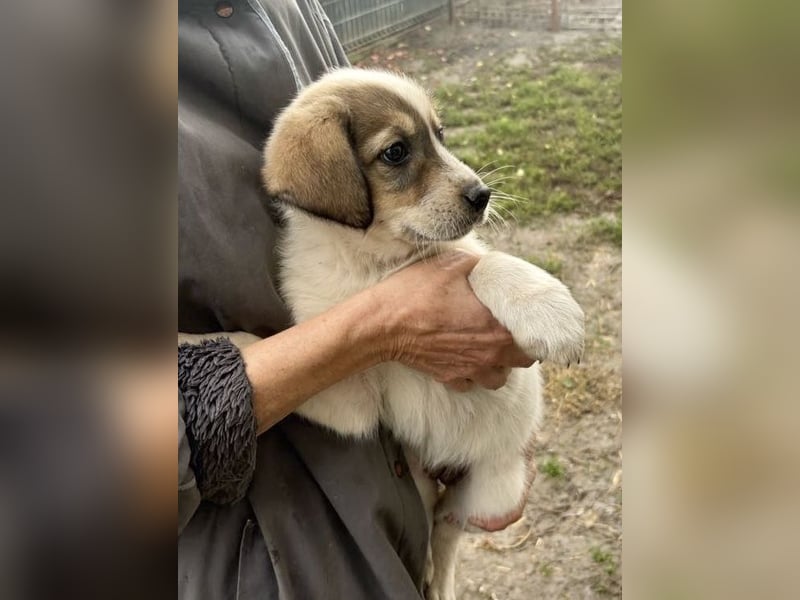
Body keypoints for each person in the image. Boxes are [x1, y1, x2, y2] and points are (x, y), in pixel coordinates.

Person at [178, 1, 535, 598]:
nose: (468, 178)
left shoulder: (288, 7)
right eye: (398, 154)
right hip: (256, 558)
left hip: (387, 506)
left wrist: (495, 438)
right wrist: (385, 324)